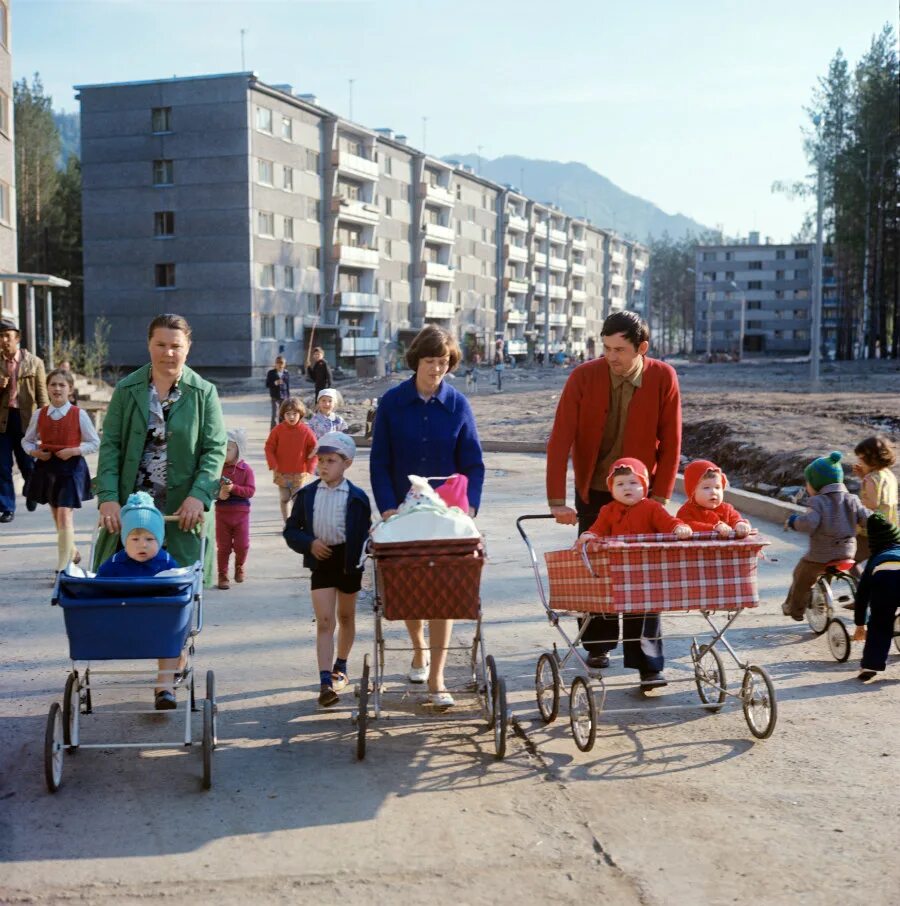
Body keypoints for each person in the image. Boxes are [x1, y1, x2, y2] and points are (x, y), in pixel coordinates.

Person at [94, 313, 227, 705]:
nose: (168, 353)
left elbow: (214, 450)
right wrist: (107, 496)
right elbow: (111, 447)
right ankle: (148, 656)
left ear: (188, 348)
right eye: (161, 344)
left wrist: (198, 496)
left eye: (176, 345)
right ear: (148, 345)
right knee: (129, 585)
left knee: (174, 595)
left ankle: (165, 679)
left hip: (182, 515)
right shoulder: (127, 389)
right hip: (135, 511)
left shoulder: (203, 393)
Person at [545, 310, 681, 689]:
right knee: (596, 567)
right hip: (595, 489)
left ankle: (648, 663)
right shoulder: (583, 377)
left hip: (643, 493)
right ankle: (598, 643)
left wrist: (661, 497)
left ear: (642, 348)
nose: (611, 356)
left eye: (619, 349)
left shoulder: (662, 377)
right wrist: (557, 499)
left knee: (644, 575)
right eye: (605, 348)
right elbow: (560, 439)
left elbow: (671, 444)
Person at [370, 324, 485, 707]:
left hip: (446, 512)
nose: (436, 369)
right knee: (410, 584)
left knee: (445, 591)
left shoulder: (458, 405)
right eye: (429, 361)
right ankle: (418, 648)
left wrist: (468, 507)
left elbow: (473, 463)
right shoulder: (391, 403)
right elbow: (380, 460)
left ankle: (437, 679)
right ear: (415, 360)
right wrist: (387, 506)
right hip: (403, 510)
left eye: (443, 362)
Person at [283, 432, 371, 707]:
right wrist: (309, 543)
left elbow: (365, 533)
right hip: (321, 560)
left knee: (345, 616)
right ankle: (325, 682)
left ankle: (340, 666)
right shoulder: (307, 494)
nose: (323, 466)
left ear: (347, 463)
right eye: (320, 460)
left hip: (348, 562)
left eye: (330, 460)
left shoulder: (357, 497)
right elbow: (290, 531)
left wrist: (367, 551)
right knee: (324, 621)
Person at [95, 491, 183, 709]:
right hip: (121, 622)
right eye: (134, 539)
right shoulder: (114, 564)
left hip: (158, 624)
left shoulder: (167, 563)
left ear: (160, 540)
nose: (142, 545)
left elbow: (181, 591)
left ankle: (164, 686)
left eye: (150, 539)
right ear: (125, 540)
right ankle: (170, 673)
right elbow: (97, 588)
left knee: (172, 634)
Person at [22, 368, 100, 574]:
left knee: (65, 514)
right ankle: (72, 550)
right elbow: (27, 440)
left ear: (70, 390)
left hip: (71, 467)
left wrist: (74, 450)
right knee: (57, 514)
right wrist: (36, 453)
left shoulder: (79, 414)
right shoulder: (40, 414)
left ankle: (64, 566)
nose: (57, 388)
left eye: (61, 385)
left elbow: (94, 442)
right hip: (48, 467)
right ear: (47, 388)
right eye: (53, 384)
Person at [782, 451, 869, 621]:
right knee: (853, 575)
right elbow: (867, 517)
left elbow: (809, 523)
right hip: (847, 553)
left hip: (820, 556)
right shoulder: (852, 499)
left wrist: (793, 521)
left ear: (816, 483)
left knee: (801, 575)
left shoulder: (817, 501)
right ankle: (864, 600)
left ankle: (795, 609)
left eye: (808, 482)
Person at [577, 458, 692, 547]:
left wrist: (678, 527)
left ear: (644, 486)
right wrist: (591, 535)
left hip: (648, 557)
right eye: (620, 484)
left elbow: (667, 522)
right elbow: (598, 529)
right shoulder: (608, 510)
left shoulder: (652, 507)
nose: (627, 488)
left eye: (633, 483)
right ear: (612, 489)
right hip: (619, 558)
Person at [0, 317, 48, 523]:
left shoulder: (34, 362)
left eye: (7, 336)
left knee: (27, 463)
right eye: (1, 336)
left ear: (17, 338)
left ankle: (32, 491)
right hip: (2, 420)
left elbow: (42, 396)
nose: (4, 340)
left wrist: (46, 424)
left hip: (26, 420)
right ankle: (6, 507)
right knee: (1, 466)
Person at [852, 513, 900, 682]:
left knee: (880, 623)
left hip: (884, 582)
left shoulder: (874, 561)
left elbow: (862, 596)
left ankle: (872, 664)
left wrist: (860, 623)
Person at [264, 396, 317, 523]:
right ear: (283, 415)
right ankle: (286, 522)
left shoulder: (306, 431)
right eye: (288, 414)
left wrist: (310, 466)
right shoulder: (278, 430)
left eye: (295, 414)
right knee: (284, 498)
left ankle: (296, 523)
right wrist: (273, 463)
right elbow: (269, 447)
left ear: (301, 414)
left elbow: (314, 449)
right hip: (281, 471)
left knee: (297, 499)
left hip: (299, 472)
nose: (291, 417)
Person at [215, 427, 255, 590]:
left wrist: (234, 489)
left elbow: (250, 491)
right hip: (222, 514)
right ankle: (222, 574)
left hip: (241, 514)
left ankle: (239, 566)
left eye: (229, 448)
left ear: (238, 449)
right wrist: (219, 495)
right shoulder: (217, 470)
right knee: (223, 547)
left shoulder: (246, 470)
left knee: (242, 545)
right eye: (222, 447)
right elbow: (211, 490)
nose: (224, 451)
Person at [852, 435, 898, 565]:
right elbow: (880, 496)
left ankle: (860, 582)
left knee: (847, 557)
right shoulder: (888, 475)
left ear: (871, 460)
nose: (859, 462)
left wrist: (855, 504)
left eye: (861, 459)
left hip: (870, 531)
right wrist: (864, 476)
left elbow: (872, 504)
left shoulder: (870, 479)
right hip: (889, 528)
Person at [677, 460, 751, 537]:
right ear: (693, 492)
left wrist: (740, 524)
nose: (713, 492)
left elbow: (735, 518)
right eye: (706, 488)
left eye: (717, 487)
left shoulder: (726, 509)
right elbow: (689, 525)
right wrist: (713, 528)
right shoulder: (686, 511)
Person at [265, 355, 291, 429]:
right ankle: (273, 432)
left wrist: (289, 397)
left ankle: (282, 431)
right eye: (278, 363)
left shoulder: (286, 373)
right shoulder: (271, 372)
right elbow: (267, 384)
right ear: (275, 364)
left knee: (283, 415)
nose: (280, 365)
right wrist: (275, 383)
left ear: (284, 364)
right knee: (275, 415)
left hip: (284, 396)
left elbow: (288, 385)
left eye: (282, 363)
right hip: (275, 396)